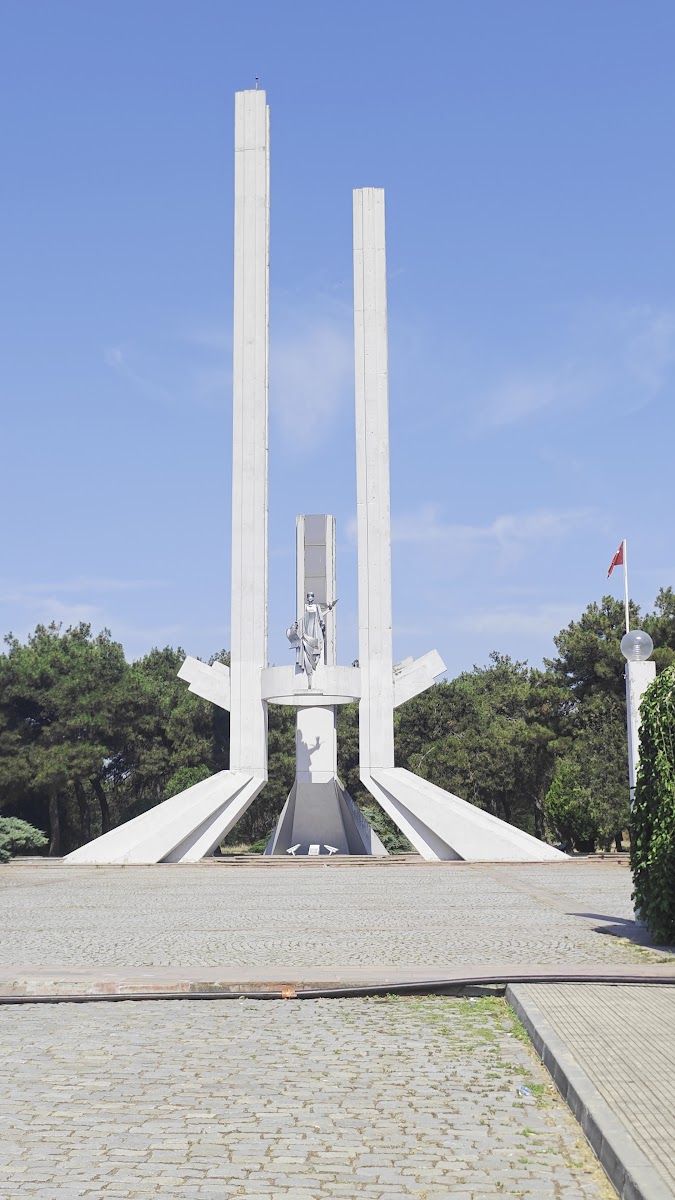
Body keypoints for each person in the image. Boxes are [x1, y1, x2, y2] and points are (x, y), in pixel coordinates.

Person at [286, 592, 336, 684]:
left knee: (315, 642)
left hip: (314, 627)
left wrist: (322, 625)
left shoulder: (316, 606)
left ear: (313, 598)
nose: (310, 598)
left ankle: (314, 659)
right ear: (307, 598)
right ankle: (308, 664)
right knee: (307, 642)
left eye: (311, 596)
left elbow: (320, 617)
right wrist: (297, 625)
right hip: (307, 627)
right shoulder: (305, 607)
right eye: (308, 596)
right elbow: (303, 618)